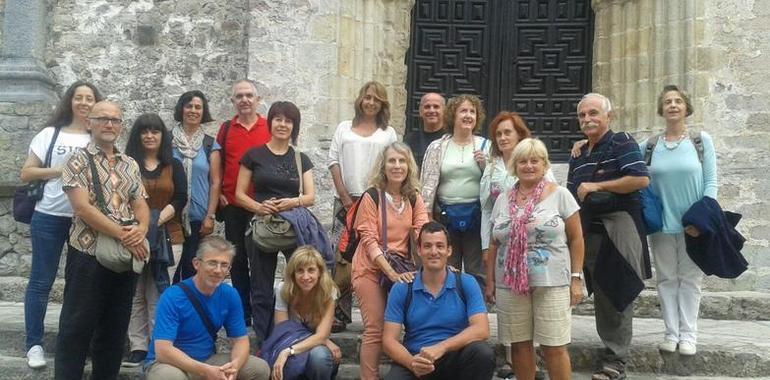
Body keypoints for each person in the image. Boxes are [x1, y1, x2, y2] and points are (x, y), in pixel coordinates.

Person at [55, 101, 150, 379]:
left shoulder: (130, 163)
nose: (110, 124)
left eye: (115, 120)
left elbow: (140, 201)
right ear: (89, 123)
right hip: (88, 252)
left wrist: (142, 228)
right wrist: (125, 234)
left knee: (115, 327)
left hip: (123, 254)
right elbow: (82, 208)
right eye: (103, 119)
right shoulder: (76, 160)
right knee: (76, 326)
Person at [567, 93, 651, 380]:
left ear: (608, 117)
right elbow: (570, 195)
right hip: (587, 230)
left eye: (594, 113)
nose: (588, 119)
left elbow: (640, 179)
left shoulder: (622, 142)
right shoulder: (579, 153)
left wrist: (596, 187)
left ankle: (616, 361)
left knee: (617, 290)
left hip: (619, 227)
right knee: (588, 291)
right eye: (582, 115)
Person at [485, 138, 584, 380]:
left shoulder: (560, 195)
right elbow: (494, 242)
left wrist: (576, 278)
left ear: (544, 164)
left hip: (551, 282)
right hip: (510, 283)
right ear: (514, 166)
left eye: (534, 161)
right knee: (518, 344)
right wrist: (490, 281)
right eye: (522, 161)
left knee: (554, 346)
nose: (528, 166)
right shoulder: (502, 199)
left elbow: (577, 239)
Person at [20, 80, 102, 369]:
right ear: (70, 102)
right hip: (49, 216)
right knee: (41, 282)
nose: (83, 102)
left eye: (89, 98)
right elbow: (27, 173)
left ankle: (75, 342)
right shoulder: (50, 134)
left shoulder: (99, 137)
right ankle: (34, 344)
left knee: (81, 285)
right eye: (78, 97)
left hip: (86, 219)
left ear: (96, 104)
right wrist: (63, 170)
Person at [235, 101, 325, 346]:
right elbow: (239, 194)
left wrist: (290, 203)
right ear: (270, 122)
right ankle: (266, 341)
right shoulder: (253, 155)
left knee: (302, 282)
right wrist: (259, 207)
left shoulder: (300, 158)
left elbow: (310, 196)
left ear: (294, 126)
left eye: (288, 121)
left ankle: (300, 337)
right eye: (278, 119)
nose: (283, 124)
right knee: (261, 288)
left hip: (292, 226)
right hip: (262, 225)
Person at [640, 85, 717, 356]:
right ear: (662, 110)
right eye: (668, 102)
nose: (673, 105)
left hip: (692, 224)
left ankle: (689, 335)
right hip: (661, 223)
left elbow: (711, 182)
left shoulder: (700, 141)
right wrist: (582, 145)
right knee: (666, 279)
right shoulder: (648, 146)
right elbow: (625, 165)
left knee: (690, 279)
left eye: (678, 101)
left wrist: (703, 219)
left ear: (686, 107)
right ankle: (671, 333)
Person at [478, 112, 555, 378]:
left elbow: (552, 205)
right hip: (505, 251)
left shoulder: (539, 164)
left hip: (538, 255)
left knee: (542, 318)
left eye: (507, 132)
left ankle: (537, 364)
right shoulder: (491, 166)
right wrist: (486, 247)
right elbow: (487, 209)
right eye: (498, 134)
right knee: (514, 316)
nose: (502, 138)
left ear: (519, 134)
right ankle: (515, 363)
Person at [351, 142, 430, 380]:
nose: (397, 166)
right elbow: (368, 239)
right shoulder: (372, 196)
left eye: (402, 161)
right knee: (375, 328)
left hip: (400, 268)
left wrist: (437, 264)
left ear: (409, 166)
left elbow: (423, 234)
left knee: (397, 327)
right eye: (392, 161)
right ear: (383, 166)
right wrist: (391, 274)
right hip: (370, 269)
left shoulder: (414, 198)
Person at [144, 236, 270, 380]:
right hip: (170, 364)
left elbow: (241, 340)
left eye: (224, 265)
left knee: (259, 368)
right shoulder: (173, 296)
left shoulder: (230, 295)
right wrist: (205, 371)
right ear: (196, 264)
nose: (218, 270)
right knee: (170, 377)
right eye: (212, 263)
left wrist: (235, 366)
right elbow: (163, 350)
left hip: (207, 360)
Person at [382, 221, 494, 380]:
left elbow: (481, 330)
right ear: (419, 250)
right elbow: (388, 340)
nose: (434, 251)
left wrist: (441, 348)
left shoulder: (466, 283)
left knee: (482, 353)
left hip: (454, 356)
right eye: (427, 246)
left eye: (440, 246)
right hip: (417, 358)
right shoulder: (402, 288)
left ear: (449, 251)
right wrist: (411, 362)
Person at [328, 81, 398, 333]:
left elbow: (392, 165)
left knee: (376, 254)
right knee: (342, 258)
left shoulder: (388, 133)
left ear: (382, 104)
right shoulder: (343, 128)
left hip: (376, 201)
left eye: (376, 100)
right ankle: (339, 313)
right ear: (360, 99)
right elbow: (333, 161)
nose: (370, 103)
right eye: (367, 98)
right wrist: (345, 196)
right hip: (346, 201)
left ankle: (381, 312)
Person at [122, 113, 188, 367]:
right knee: (135, 292)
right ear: (138, 135)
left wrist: (152, 221)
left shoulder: (174, 165)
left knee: (159, 291)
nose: (150, 136)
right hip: (132, 237)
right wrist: (140, 228)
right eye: (144, 131)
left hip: (169, 236)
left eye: (155, 131)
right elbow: (120, 198)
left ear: (163, 135)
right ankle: (138, 346)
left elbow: (180, 198)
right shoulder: (126, 164)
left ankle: (157, 345)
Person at [217, 79, 271, 325]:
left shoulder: (269, 127)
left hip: (261, 206)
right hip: (233, 206)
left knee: (261, 259)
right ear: (233, 101)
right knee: (237, 259)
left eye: (249, 95)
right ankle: (243, 310)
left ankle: (263, 307)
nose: (244, 100)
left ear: (258, 100)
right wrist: (218, 194)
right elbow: (218, 167)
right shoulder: (226, 129)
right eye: (239, 96)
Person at [421, 94, 489, 284]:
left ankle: (477, 310)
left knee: (477, 271)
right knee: (447, 268)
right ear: (453, 115)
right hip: (445, 217)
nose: (468, 116)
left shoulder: (486, 146)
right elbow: (426, 183)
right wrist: (426, 217)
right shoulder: (437, 147)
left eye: (472, 111)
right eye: (463, 111)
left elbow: (497, 184)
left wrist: (485, 165)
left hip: (476, 218)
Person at [171, 90, 222, 283]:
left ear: (203, 111)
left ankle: (190, 311)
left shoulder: (210, 144)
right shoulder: (168, 141)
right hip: (171, 217)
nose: (193, 110)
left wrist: (210, 216)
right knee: (170, 271)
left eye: (198, 107)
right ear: (181, 109)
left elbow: (215, 182)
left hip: (198, 219)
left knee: (193, 271)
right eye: (189, 106)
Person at [269, 246, 341, 379]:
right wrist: (324, 340)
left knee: (319, 356)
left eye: (311, 270)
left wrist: (288, 351)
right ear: (293, 274)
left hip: (309, 350)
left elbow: (321, 336)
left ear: (319, 272)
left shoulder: (328, 292)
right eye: (300, 271)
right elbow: (283, 334)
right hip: (291, 346)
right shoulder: (283, 291)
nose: (306, 276)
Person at [403, 92, 446, 168]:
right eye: (427, 107)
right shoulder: (409, 140)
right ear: (420, 111)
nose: (431, 110)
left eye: (436, 107)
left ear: (444, 111)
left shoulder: (451, 138)